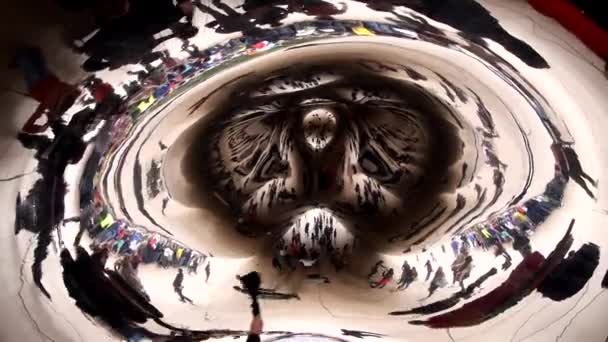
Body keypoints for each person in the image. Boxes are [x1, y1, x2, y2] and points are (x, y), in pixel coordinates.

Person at [10, 47, 80, 133]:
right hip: (37, 86)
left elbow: (77, 92)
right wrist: (42, 128)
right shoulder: (49, 104)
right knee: (30, 66)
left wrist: (72, 88)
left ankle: (29, 56)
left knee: (38, 66)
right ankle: (21, 58)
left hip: (49, 81)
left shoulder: (66, 100)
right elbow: (26, 127)